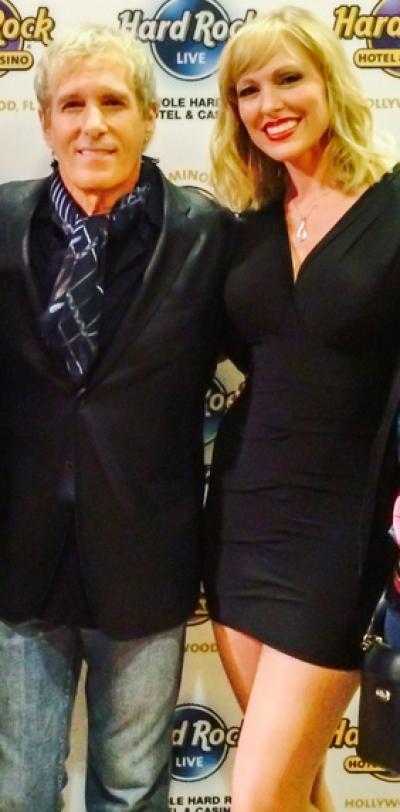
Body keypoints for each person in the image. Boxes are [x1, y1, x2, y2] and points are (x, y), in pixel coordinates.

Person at [0, 22, 237, 812]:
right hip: (20, 564)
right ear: (45, 123)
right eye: (72, 104)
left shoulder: (209, 238)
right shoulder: (1, 223)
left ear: (150, 117)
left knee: (133, 791)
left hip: (147, 564)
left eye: (113, 102)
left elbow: (284, 365)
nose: (92, 124)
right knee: (18, 791)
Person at [201, 7, 400, 812]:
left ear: (329, 82)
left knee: (260, 796)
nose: (269, 103)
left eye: (288, 78)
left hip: (339, 533)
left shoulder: (393, 208)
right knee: (297, 790)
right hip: (239, 519)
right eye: (247, 90)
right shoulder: (245, 228)